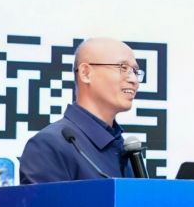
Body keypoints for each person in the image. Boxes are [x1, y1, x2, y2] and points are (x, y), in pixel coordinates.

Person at [20, 37, 144, 183]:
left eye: (135, 71)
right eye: (123, 68)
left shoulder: (124, 148)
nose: (134, 80)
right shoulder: (49, 146)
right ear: (85, 73)